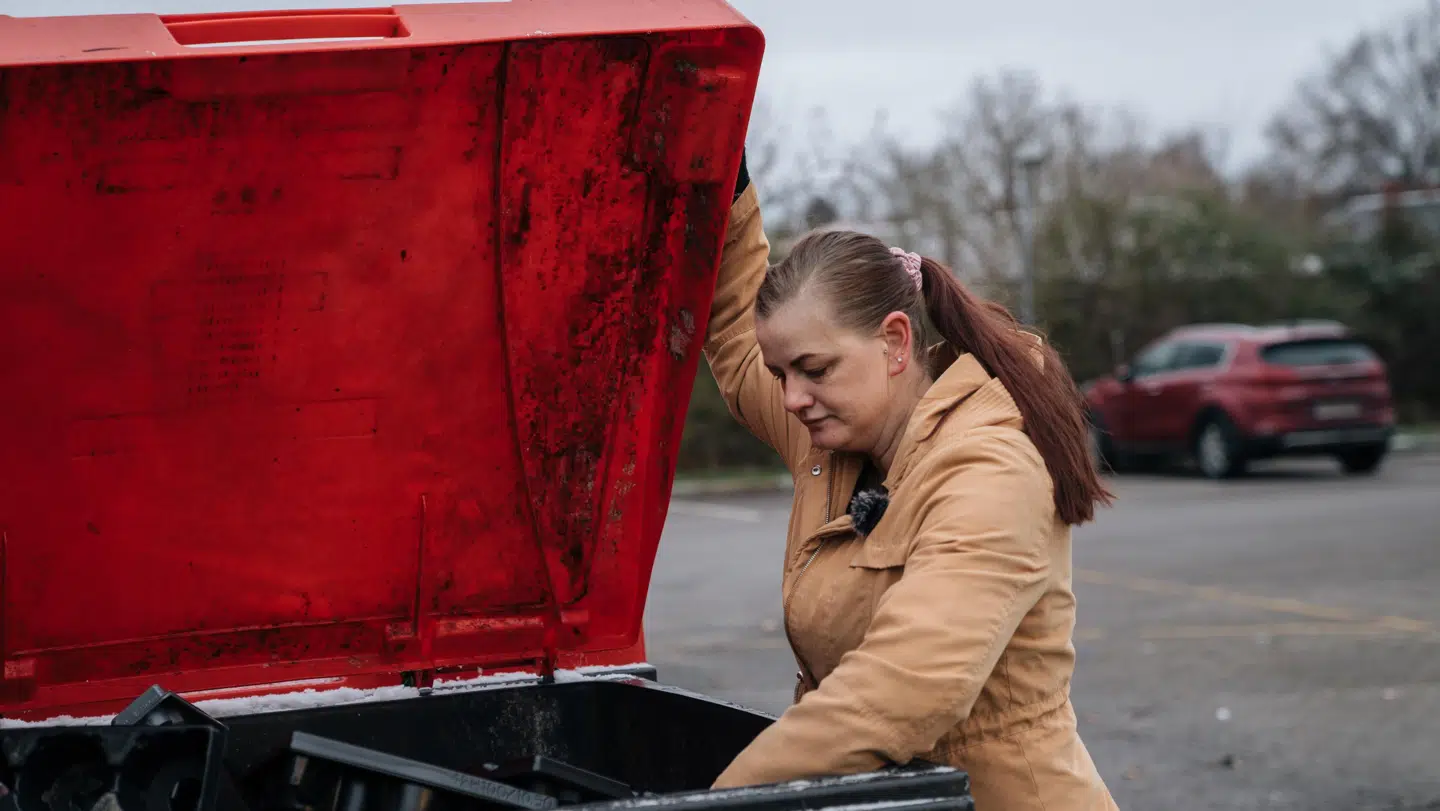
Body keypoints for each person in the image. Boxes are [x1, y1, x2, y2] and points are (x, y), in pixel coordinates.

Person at [701, 152, 1121, 811]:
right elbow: (733, 332)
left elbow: (898, 692)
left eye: (812, 368)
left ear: (896, 342)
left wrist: (717, 802)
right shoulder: (830, 437)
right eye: (783, 373)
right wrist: (727, 177)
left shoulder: (990, 469)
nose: (790, 398)